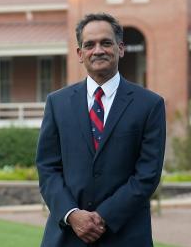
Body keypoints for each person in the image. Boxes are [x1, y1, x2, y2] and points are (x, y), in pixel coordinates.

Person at [36, 13, 166, 246]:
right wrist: (72, 214)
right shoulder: (57, 103)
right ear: (80, 54)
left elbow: (147, 175)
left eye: (106, 43)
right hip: (66, 236)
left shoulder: (150, 105)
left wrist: (103, 217)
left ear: (121, 48)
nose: (98, 50)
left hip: (125, 235)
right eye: (89, 45)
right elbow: (48, 169)